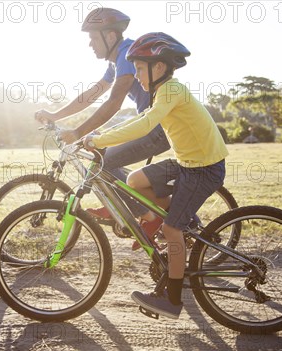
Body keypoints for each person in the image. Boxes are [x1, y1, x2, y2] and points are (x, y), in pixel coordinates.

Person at [82, 32, 229, 319]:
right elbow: (140, 118)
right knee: (134, 180)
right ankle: (163, 215)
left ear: (158, 67)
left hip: (204, 169)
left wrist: (101, 141)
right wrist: (101, 134)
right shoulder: (162, 91)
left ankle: (172, 300)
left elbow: (148, 123)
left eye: (138, 68)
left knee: (173, 231)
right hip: (188, 163)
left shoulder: (171, 90)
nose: (136, 75)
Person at [34, 8, 171, 233]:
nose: (90, 44)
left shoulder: (128, 54)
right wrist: (55, 115)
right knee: (103, 157)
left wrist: (79, 132)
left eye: (93, 38)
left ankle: (147, 215)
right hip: (148, 124)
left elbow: (114, 102)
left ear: (110, 37)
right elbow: (92, 94)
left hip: (157, 128)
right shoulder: (116, 62)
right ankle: (130, 206)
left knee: (103, 163)